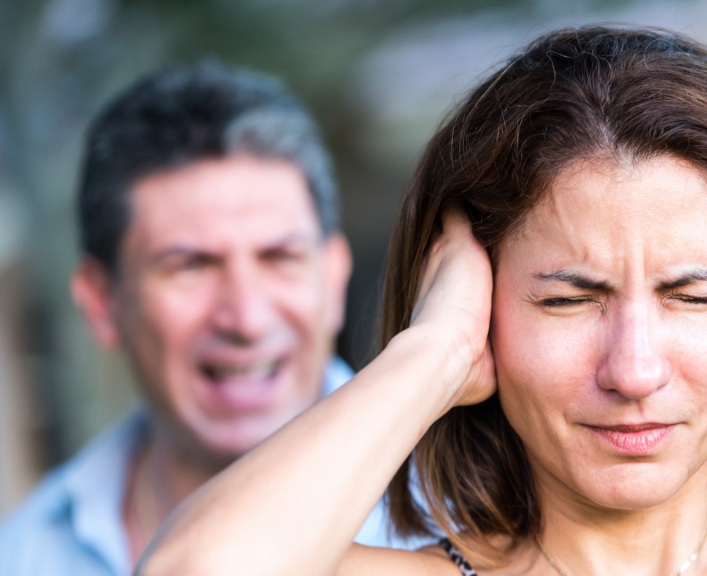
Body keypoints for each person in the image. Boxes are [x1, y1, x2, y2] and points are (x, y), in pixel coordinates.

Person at [139, 27, 707, 576]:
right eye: (570, 300)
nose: (634, 370)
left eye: (690, 294)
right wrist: (431, 354)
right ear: (486, 310)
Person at [0, 62, 423, 576]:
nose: (246, 318)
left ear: (332, 279)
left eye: (278, 257)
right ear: (102, 303)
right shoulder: (23, 555)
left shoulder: (469, 520)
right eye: (191, 266)